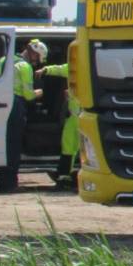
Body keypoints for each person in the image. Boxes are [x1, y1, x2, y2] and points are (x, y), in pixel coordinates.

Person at [0, 39, 46, 189]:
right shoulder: (25, 67)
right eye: (37, 58)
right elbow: (28, 95)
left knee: (4, 143)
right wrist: (38, 93)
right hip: (16, 106)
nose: (36, 62)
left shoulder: (3, 60)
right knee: (14, 145)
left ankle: (3, 180)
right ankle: (9, 183)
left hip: (1, 103)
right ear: (33, 53)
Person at [36, 57, 78, 188]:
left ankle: (74, 178)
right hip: (74, 116)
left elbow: (60, 69)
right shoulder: (76, 67)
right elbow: (60, 69)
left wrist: (45, 70)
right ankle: (64, 176)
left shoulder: (90, 68)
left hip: (86, 115)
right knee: (68, 146)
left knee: (84, 149)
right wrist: (46, 69)